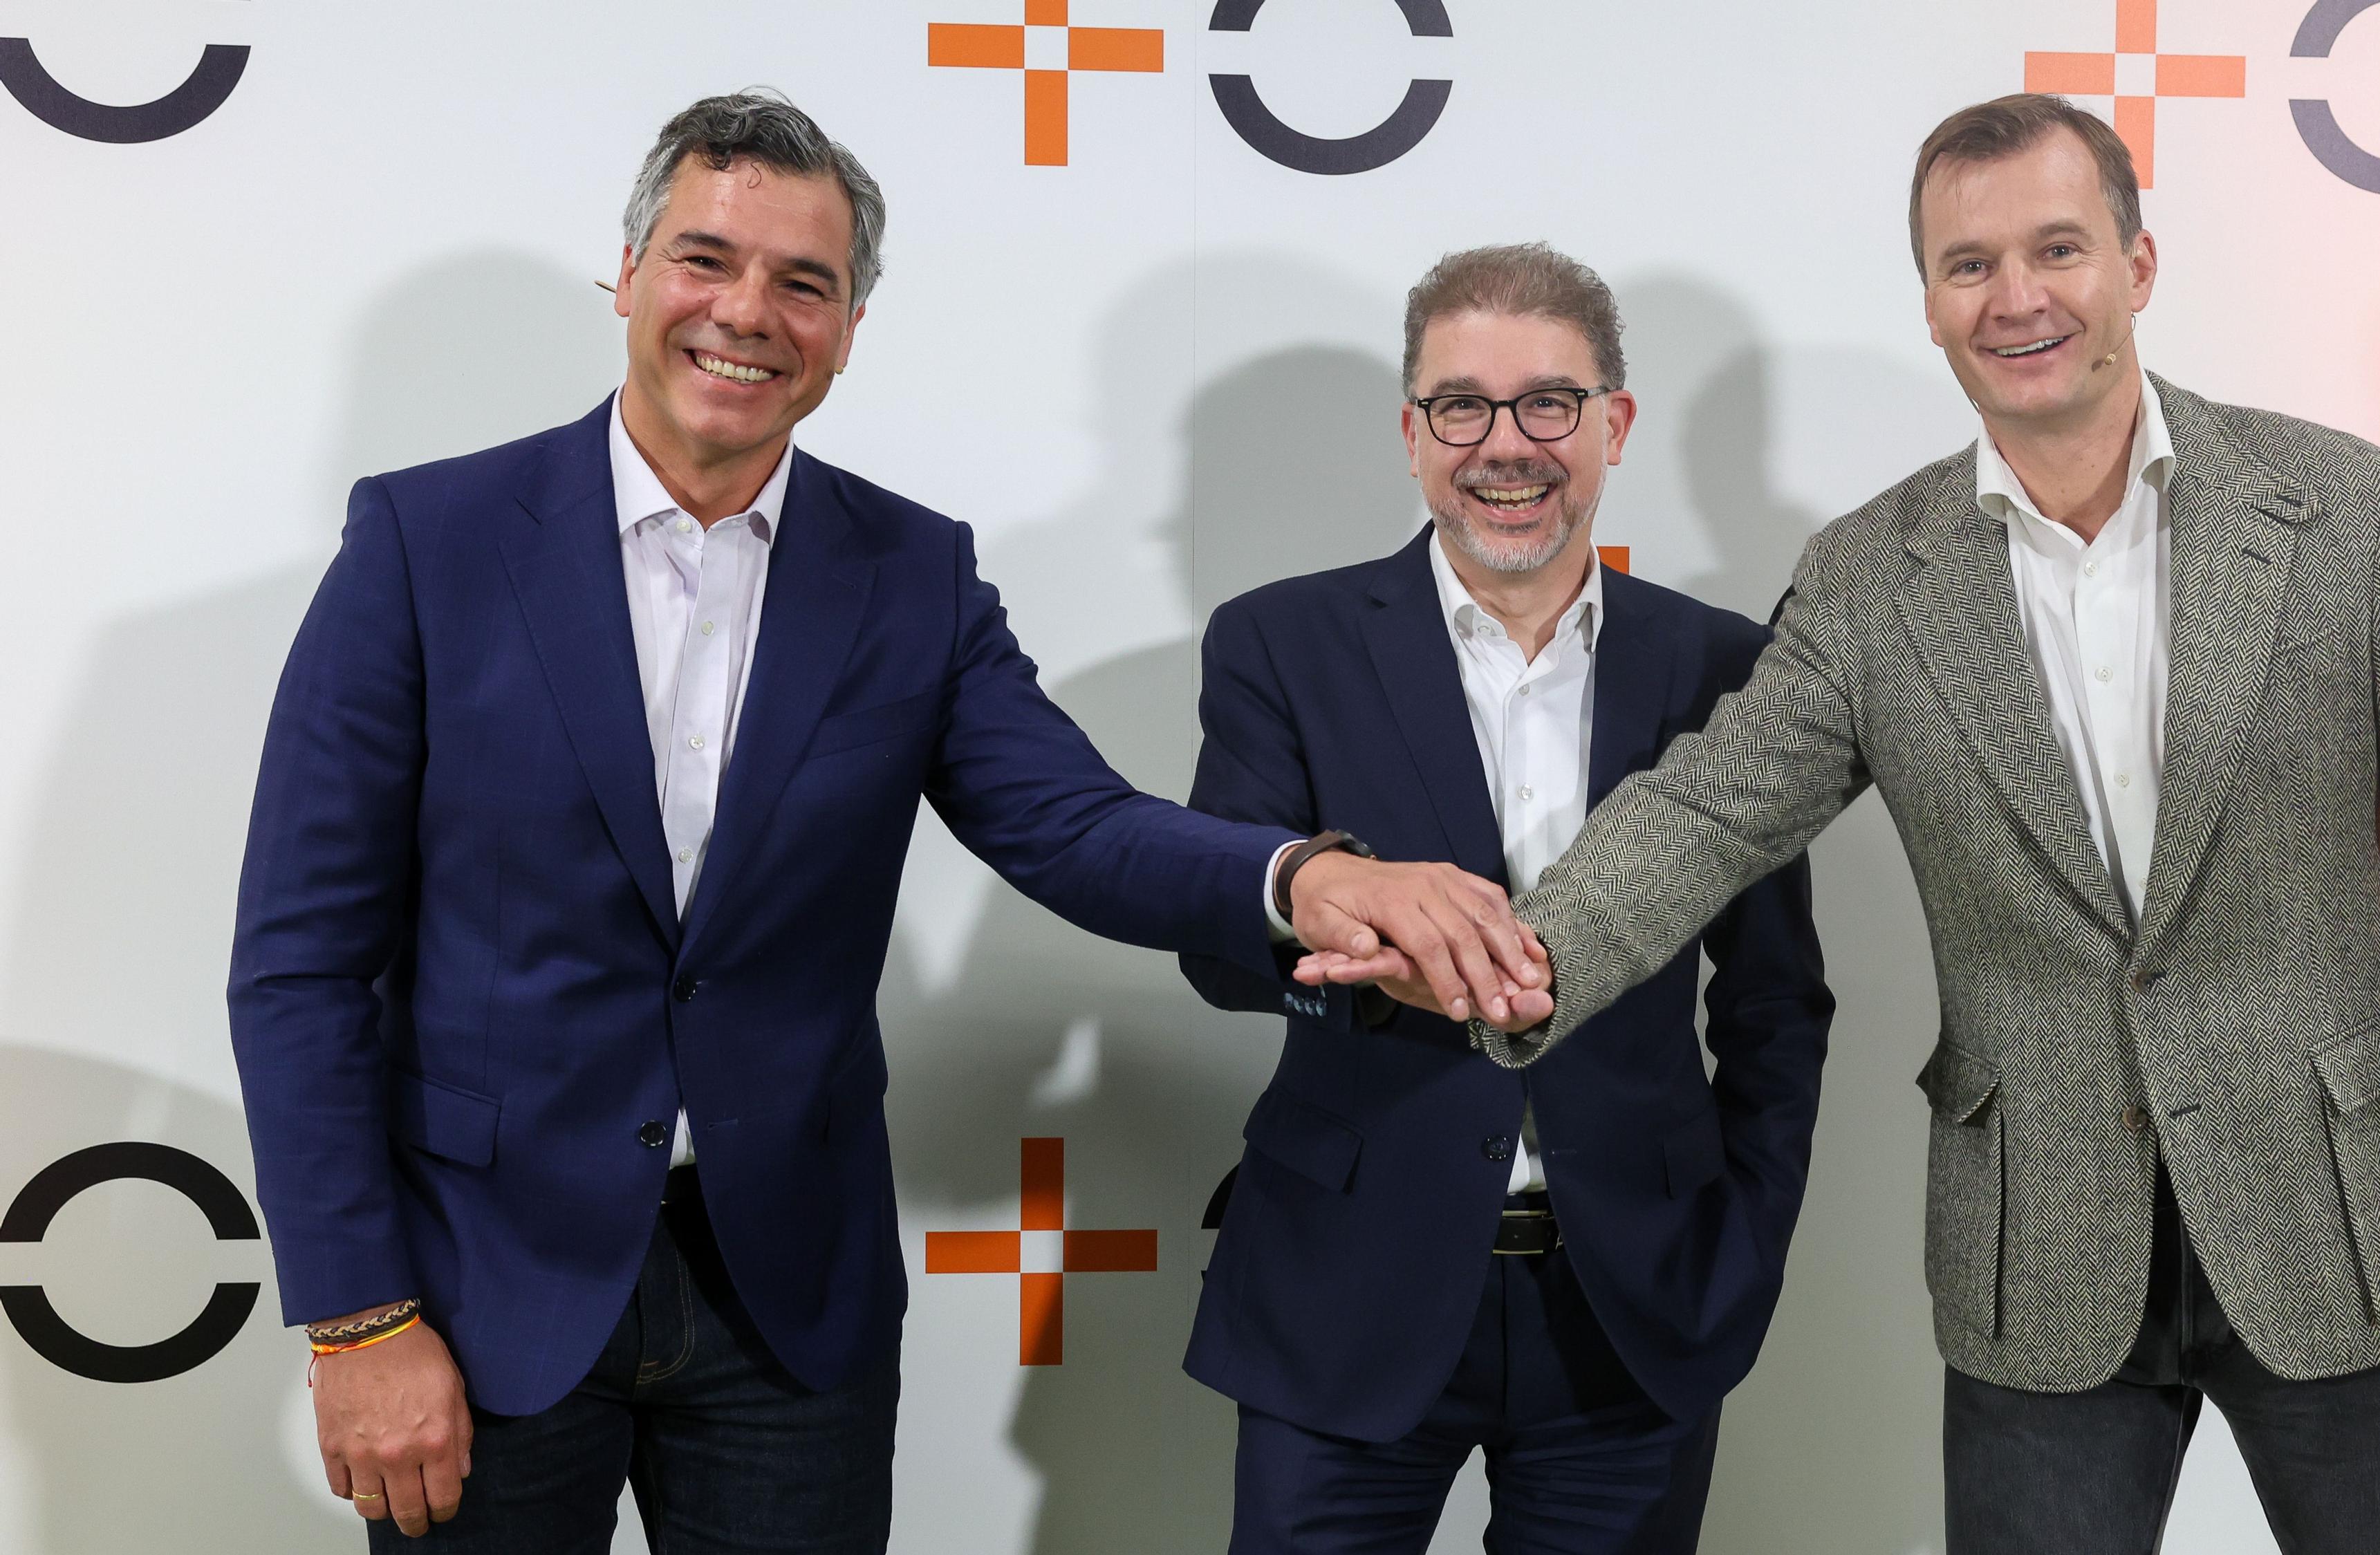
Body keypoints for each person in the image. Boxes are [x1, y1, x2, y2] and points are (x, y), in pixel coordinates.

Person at [225, 91, 1543, 1550]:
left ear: (849, 328)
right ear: (629, 273)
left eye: (804, 282)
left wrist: (1302, 878)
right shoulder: (428, 543)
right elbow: (300, 964)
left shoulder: (910, 572)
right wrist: (358, 1315)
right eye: (705, 260)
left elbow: (1072, 823)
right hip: (481, 1287)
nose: (748, 313)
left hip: (787, 1302)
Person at [1303, 95, 2380, 1553]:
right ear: (1928, 304)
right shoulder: (1869, 577)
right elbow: (1708, 811)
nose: (2015, 297)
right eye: (1968, 264)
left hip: (2356, 1228)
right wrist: (1502, 964)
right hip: (2037, 1256)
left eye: (2057, 249)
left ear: (2138, 265)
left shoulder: (2348, 512)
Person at [1179, 243, 1833, 1553]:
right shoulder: (1280, 643)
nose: (1506, 445)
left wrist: (1743, 1237)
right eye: (1462, 407)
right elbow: (1221, 947)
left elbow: (1774, 1000)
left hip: (1635, 1306)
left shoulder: (1726, 665)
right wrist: (1361, 944)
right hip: (1343, 1289)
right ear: (1412, 435)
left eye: (1548, 402)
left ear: (1614, 425)